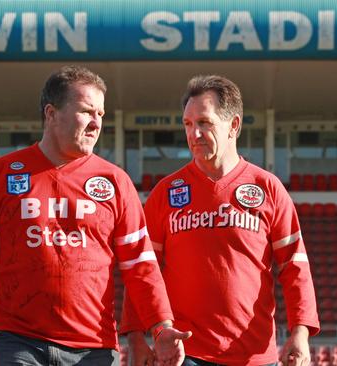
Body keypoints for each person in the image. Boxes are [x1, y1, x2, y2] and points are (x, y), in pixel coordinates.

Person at [0, 66, 190, 366]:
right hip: (18, 343)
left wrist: (160, 325)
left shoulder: (116, 183)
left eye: (101, 114)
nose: (96, 123)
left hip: (93, 347)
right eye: (86, 111)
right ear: (51, 113)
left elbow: (140, 265)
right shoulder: (1, 174)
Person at [121, 75, 320, 366]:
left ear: (234, 126)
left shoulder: (268, 188)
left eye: (205, 122)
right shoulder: (166, 192)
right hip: (186, 355)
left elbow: (294, 266)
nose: (194, 133)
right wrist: (136, 337)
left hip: (255, 356)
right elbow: (143, 271)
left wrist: (300, 332)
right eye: (188, 124)